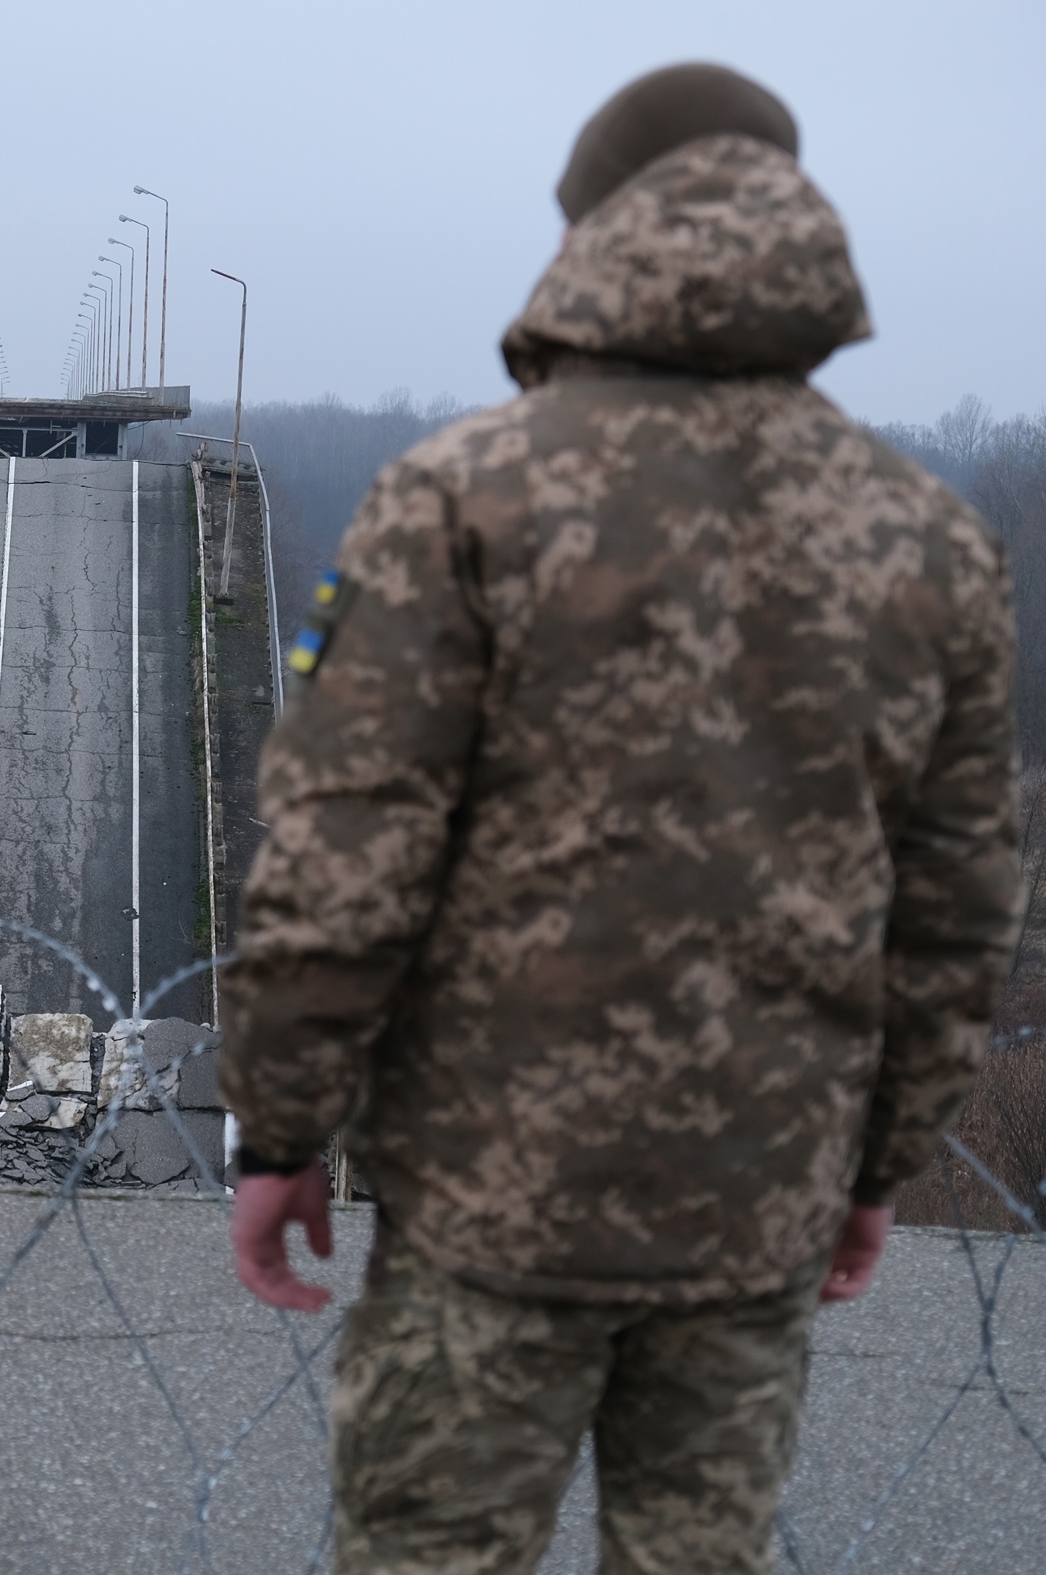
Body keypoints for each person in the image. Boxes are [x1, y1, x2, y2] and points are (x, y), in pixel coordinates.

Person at [217, 63, 1019, 1574]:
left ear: (592, 234)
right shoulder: (926, 543)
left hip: (487, 1197)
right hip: (755, 1198)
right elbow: (957, 906)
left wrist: (281, 1127)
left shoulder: (461, 498)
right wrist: (874, 1163)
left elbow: (345, 856)